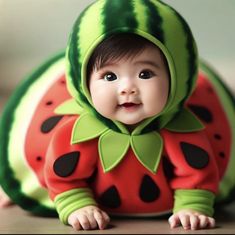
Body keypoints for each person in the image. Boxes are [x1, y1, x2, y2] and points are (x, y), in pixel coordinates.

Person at [0, 0, 235, 231]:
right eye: (110, 76)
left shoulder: (187, 131)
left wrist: (193, 207)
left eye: (145, 73)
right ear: (83, 84)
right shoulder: (72, 133)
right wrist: (76, 205)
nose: (127, 88)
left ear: (177, 77)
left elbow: (198, 174)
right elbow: (63, 177)